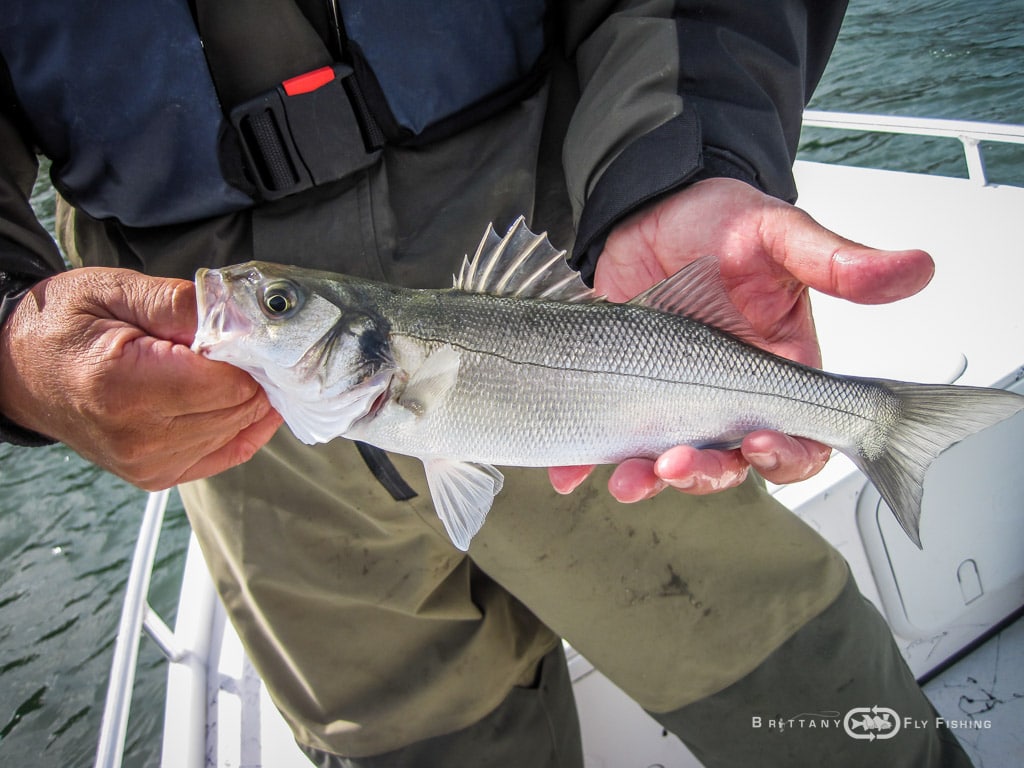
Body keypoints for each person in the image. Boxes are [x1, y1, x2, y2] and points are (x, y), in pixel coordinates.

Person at [0, 1, 972, 766]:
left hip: (585, 225)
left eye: (283, 307)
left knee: (783, 668)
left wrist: (681, 158)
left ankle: (877, 426)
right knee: (407, 741)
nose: (262, 308)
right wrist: (10, 330)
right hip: (208, 392)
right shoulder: (275, 347)